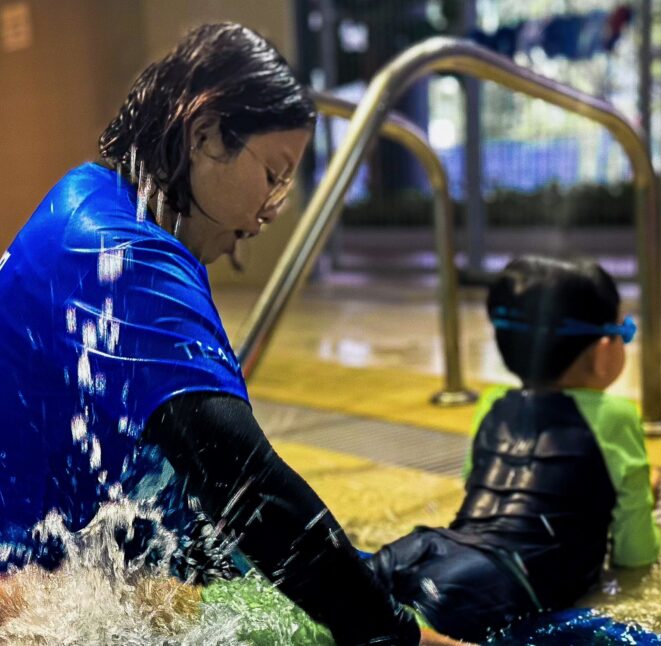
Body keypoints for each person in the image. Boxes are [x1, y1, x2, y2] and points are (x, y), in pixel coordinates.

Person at [0, 22, 464, 646]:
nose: (274, 206)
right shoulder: (119, 255)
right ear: (206, 134)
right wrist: (396, 637)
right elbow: (245, 482)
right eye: (273, 173)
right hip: (27, 592)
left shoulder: (92, 198)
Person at [369, 256, 661, 642]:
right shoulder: (616, 417)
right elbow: (635, 553)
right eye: (625, 332)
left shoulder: (493, 402)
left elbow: (475, 483)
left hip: (425, 549)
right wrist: (644, 496)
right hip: (496, 585)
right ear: (603, 350)